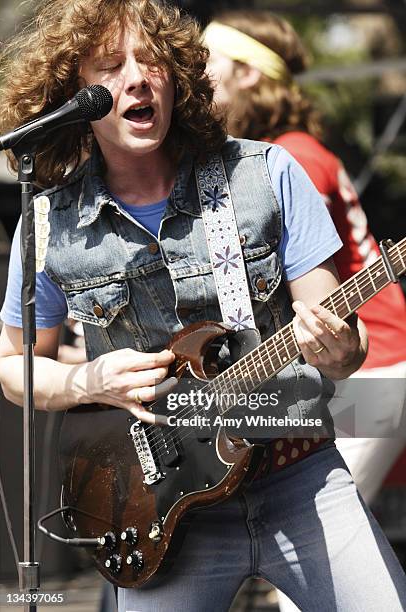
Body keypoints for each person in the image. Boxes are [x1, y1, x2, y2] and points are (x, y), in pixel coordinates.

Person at [0, 2, 405, 611]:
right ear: (72, 93)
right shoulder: (49, 223)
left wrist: (340, 347)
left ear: (179, 77)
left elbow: (339, 348)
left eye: (154, 61)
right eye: (110, 66)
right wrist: (88, 379)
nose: (137, 78)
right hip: (164, 511)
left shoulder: (267, 174)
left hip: (299, 474)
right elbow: (13, 365)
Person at [204, 10, 406, 505]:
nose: (194, 71)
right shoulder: (288, 149)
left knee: (309, 525)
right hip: (368, 366)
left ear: (248, 73)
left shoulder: (292, 157)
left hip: (371, 364)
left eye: (206, 58)